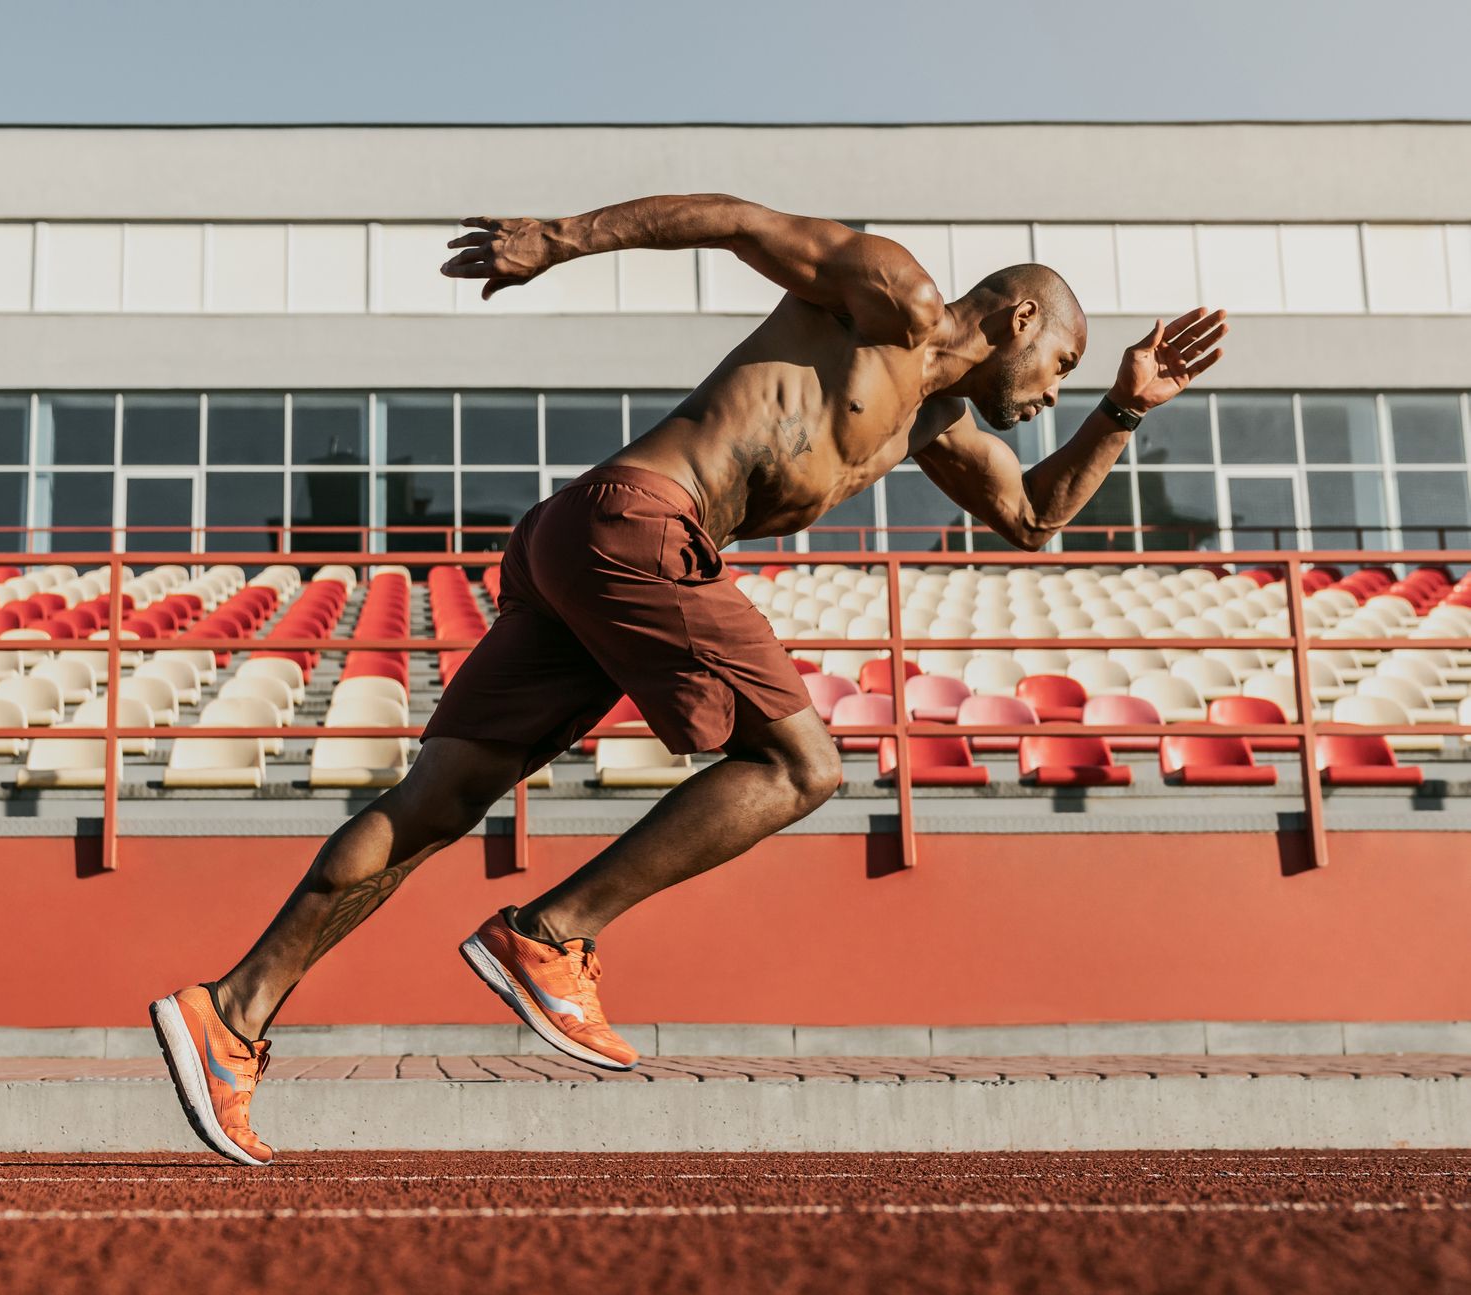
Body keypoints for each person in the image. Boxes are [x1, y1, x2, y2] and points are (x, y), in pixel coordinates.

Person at [150, 191, 1230, 1165]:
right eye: (1065, 371)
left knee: (436, 801)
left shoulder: (933, 427)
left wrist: (1125, 410)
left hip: (581, 543)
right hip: (638, 522)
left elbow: (1034, 522)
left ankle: (230, 1011)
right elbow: (734, 220)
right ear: (1018, 320)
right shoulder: (892, 294)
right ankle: (549, 935)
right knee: (799, 762)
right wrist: (560, 241)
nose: (1055, 393)